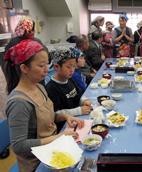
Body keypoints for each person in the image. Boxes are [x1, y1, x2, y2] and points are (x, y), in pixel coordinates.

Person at [4, 40, 84, 171]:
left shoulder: (40, 88)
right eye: (41, 65)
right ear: (24, 68)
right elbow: (19, 146)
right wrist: (58, 137)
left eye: (47, 64)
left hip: (52, 150)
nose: (47, 69)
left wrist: (64, 117)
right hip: (36, 162)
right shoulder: (19, 102)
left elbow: (46, 117)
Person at [45, 47, 92, 131]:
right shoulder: (52, 88)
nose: (72, 70)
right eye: (69, 67)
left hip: (77, 120)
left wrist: (84, 100)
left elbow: (78, 93)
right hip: (65, 128)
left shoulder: (69, 79)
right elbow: (56, 115)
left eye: (73, 66)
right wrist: (78, 111)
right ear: (56, 67)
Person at [4, 18, 48, 86]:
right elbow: (48, 57)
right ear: (31, 31)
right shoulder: (36, 42)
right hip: (33, 79)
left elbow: (6, 58)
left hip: (16, 76)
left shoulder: (12, 42)